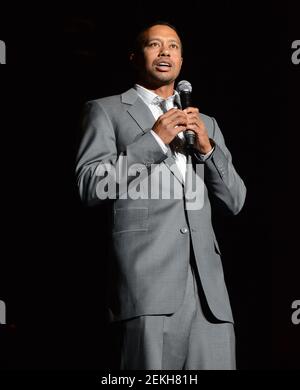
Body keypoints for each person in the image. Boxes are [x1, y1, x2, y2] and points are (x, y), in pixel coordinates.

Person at [75, 21, 246, 370]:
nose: (165, 51)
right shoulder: (105, 110)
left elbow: (234, 200)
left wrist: (208, 150)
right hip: (147, 286)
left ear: (182, 61)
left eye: (174, 46)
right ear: (136, 57)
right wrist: (153, 141)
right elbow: (91, 185)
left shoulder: (206, 124)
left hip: (209, 293)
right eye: (155, 45)